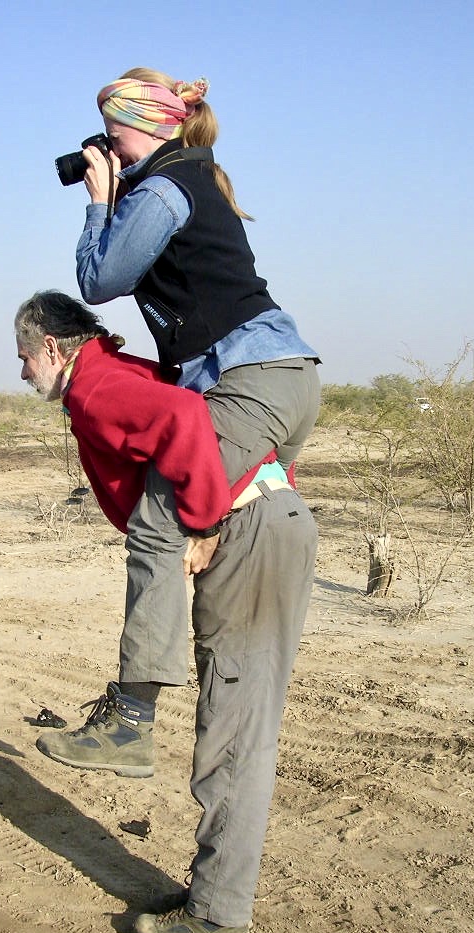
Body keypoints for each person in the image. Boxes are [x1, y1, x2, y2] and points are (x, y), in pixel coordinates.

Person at [15, 290, 318, 933]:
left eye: (24, 360)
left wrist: (207, 519)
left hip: (247, 535)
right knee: (233, 729)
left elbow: (187, 418)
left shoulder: (99, 386)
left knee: (233, 736)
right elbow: (238, 436)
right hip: (262, 520)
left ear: (51, 349)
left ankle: (217, 919)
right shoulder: (111, 378)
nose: (22, 375)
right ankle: (213, 900)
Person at [71, 67, 322, 729]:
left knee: (156, 525)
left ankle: (129, 720)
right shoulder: (193, 174)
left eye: (110, 133)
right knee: (205, 524)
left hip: (245, 380)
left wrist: (100, 201)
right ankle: (229, 686)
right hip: (284, 379)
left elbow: (100, 279)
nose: (105, 146)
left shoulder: (162, 187)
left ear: (141, 124)